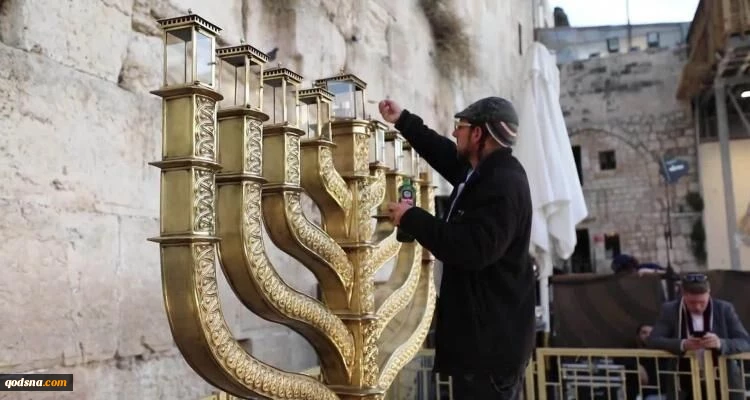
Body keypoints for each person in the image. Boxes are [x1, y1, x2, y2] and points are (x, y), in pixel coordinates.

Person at [379, 97, 536, 399]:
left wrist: (411, 217)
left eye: (460, 127)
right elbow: (444, 154)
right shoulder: (484, 173)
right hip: (481, 344)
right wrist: (403, 121)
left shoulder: (503, 184)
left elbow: (470, 249)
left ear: (478, 134)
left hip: (490, 351)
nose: (454, 133)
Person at [646, 273, 750, 400]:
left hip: (724, 380)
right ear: (683, 294)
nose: (697, 307)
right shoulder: (670, 309)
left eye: (702, 302)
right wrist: (683, 344)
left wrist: (720, 343)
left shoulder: (724, 308)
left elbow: (745, 342)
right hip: (684, 381)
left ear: (709, 293)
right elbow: (654, 340)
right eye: (692, 302)